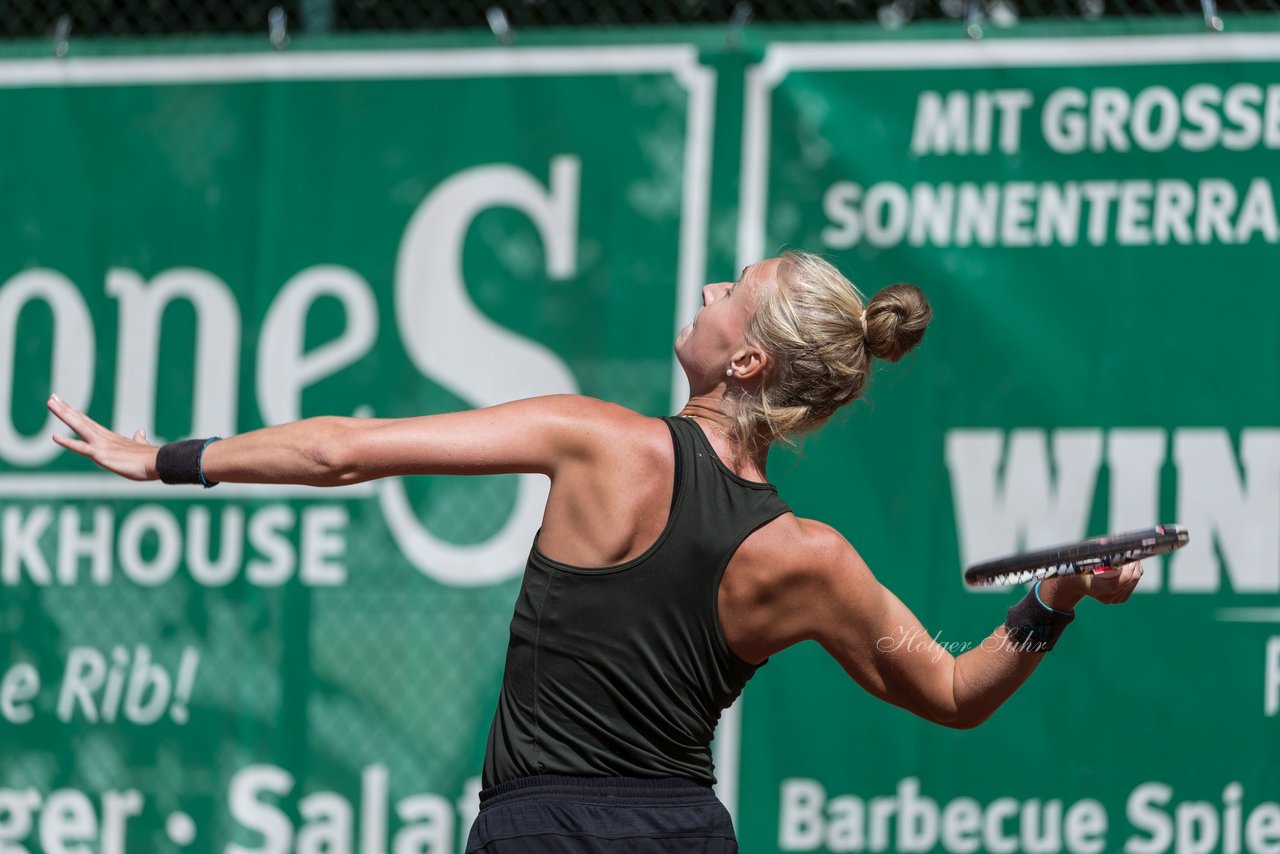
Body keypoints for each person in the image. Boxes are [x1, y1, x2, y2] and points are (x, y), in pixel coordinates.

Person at [47, 250, 1143, 853]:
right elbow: (953, 688)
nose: (710, 288)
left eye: (733, 291)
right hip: (680, 832)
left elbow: (343, 449)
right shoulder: (809, 555)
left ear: (745, 359)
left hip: (536, 831)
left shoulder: (594, 437)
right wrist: (1051, 598)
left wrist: (167, 459)